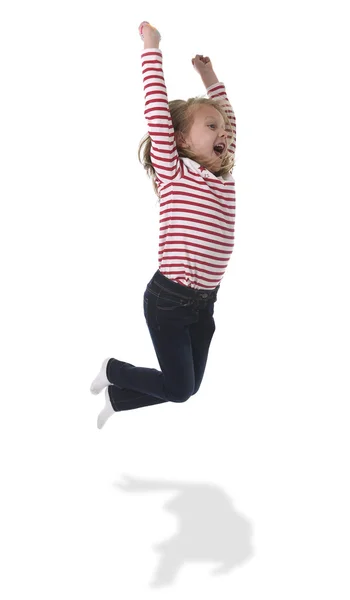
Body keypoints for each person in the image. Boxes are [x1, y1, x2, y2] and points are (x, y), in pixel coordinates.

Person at [90, 22, 237, 428]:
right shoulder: (175, 172)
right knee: (177, 389)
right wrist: (151, 48)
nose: (222, 132)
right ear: (182, 141)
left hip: (205, 304)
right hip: (169, 301)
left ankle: (117, 400)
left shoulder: (222, 175)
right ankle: (114, 370)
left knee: (186, 389)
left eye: (223, 128)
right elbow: (156, 108)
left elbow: (230, 122)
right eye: (211, 127)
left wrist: (211, 79)